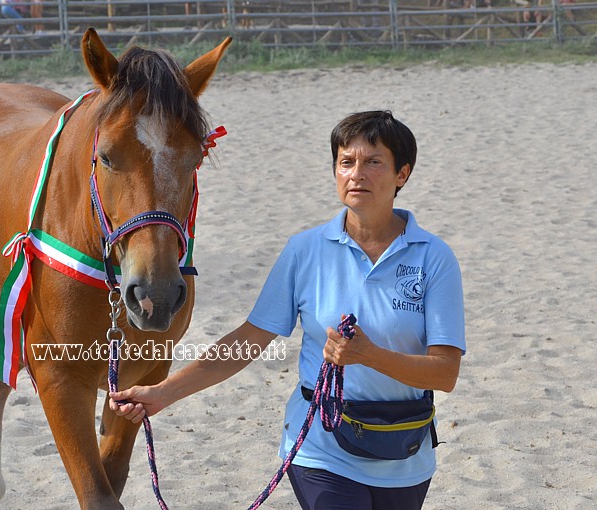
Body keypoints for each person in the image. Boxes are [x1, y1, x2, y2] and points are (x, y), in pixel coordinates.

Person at [109, 110, 466, 510]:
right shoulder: (305, 250)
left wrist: (370, 357)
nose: (356, 174)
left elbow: (445, 373)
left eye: (373, 162)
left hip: (406, 450)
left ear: (402, 174)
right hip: (320, 447)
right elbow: (248, 340)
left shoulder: (434, 258)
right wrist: (163, 393)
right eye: (346, 162)